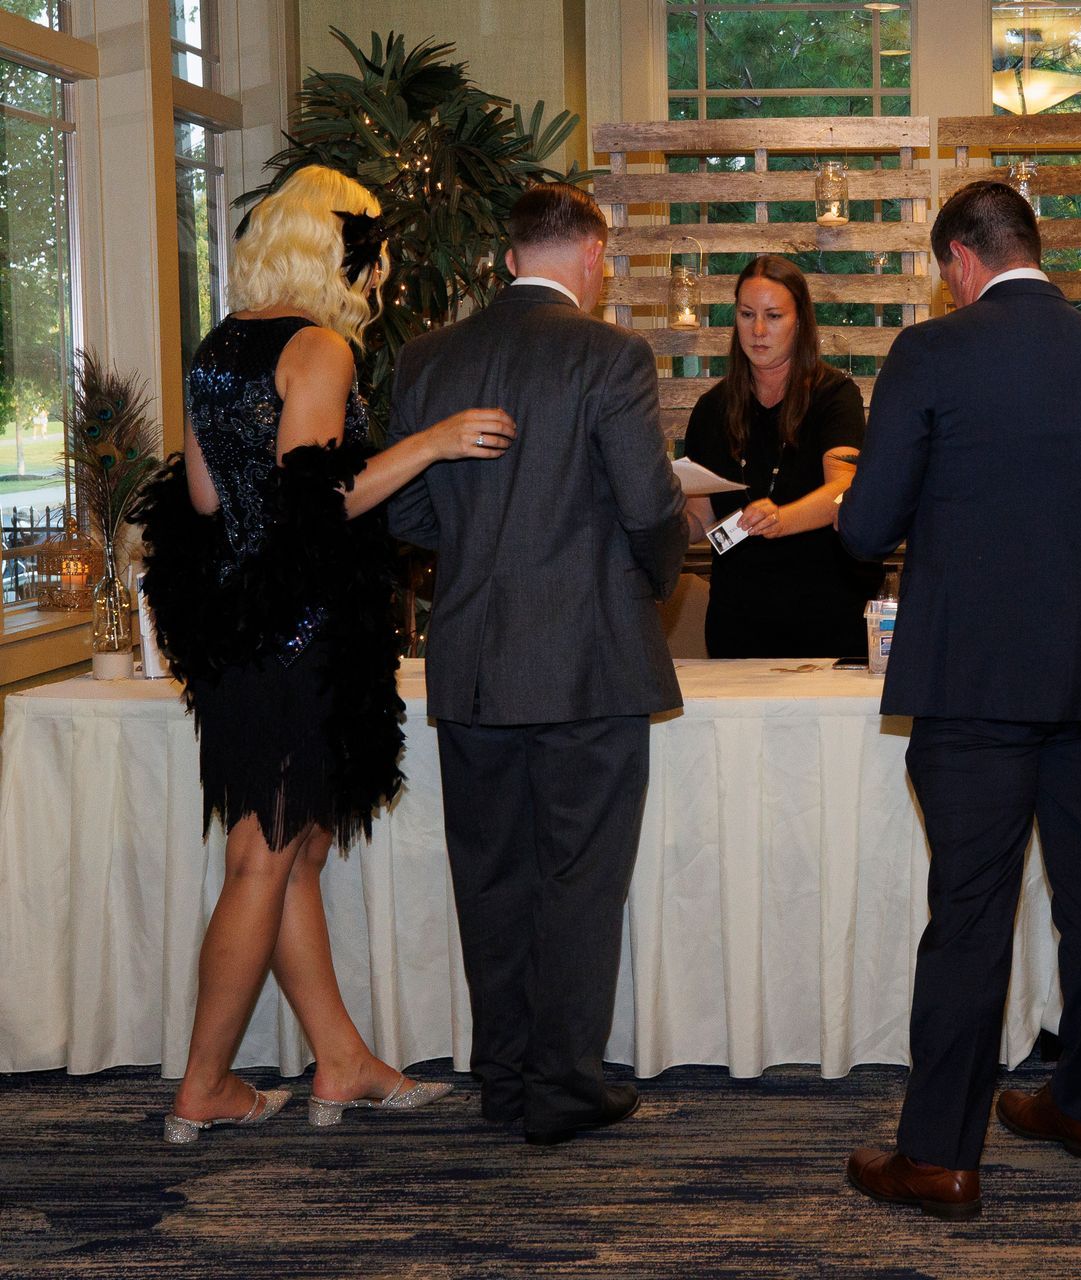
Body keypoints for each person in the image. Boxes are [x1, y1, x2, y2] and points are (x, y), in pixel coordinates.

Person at [137, 165, 513, 1142]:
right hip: (296, 638)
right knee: (263, 858)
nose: (380, 274)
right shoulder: (320, 346)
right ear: (342, 252)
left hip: (235, 638)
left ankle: (340, 1061)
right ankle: (203, 1086)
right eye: (373, 253)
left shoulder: (220, 347)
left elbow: (206, 502)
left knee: (293, 849)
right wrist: (431, 442)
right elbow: (319, 500)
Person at [838, 180, 1081, 1219]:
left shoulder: (929, 354)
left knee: (972, 909)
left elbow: (866, 526)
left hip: (971, 678)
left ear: (959, 259)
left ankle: (941, 1155)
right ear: (1032, 245)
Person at [385, 182, 686, 1146]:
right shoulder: (609, 355)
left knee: (491, 878)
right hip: (589, 658)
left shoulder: (427, 358)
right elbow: (650, 505)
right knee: (580, 879)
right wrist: (651, 582)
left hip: (472, 660)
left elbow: (405, 512)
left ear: (511, 256)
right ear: (593, 255)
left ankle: (506, 1077)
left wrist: (482, 553)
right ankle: (562, 1086)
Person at [682, 256, 880, 657]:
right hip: (738, 623)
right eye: (746, 314)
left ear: (800, 321)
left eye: (773, 316)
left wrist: (781, 518)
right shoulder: (711, 408)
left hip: (826, 618)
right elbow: (699, 520)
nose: (758, 330)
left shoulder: (834, 396)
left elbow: (843, 487)